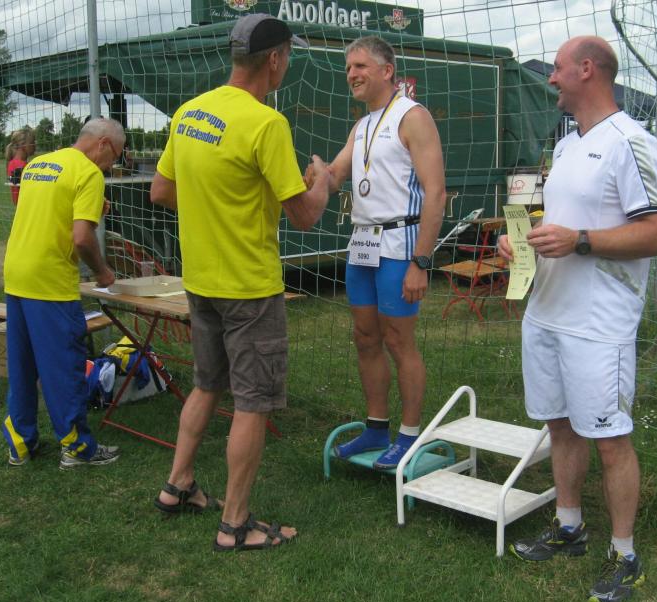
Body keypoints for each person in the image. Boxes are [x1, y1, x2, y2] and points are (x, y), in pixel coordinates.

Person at [498, 36, 657, 602]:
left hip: (599, 324)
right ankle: (569, 526)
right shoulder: (569, 142)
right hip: (547, 312)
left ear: (586, 70)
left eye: (556, 69)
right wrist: (522, 243)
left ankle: (625, 555)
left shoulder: (632, 142)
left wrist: (579, 240)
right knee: (561, 427)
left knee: (611, 439)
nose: (550, 79)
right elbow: (564, 222)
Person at [150, 13, 330, 552]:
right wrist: (322, 181)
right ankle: (235, 524)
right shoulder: (265, 123)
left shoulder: (189, 113)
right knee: (252, 402)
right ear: (274, 59)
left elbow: (161, 191)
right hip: (249, 288)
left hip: (200, 280)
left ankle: (178, 485)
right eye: (287, 57)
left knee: (207, 384)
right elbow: (304, 214)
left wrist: (215, 208)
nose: (286, 65)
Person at [315, 36, 445, 470]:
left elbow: (436, 193)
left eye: (360, 66)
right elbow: (335, 174)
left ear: (387, 71)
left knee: (398, 341)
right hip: (362, 244)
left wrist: (421, 261)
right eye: (348, 68)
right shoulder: (363, 125)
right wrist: (317, 175)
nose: (351, 74)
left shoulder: (413, 116)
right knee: (365, 337)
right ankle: (375, 427)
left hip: (399, 245)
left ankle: (409, 434)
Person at [1, 117, 124, 469]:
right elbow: (82, 238)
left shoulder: (39, 164)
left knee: (22, 365)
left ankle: (20, 444)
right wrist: (102, 272)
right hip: (50, 283)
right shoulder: (88, 173)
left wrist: (90, 207)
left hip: (17, 275)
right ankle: (76, 448)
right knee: (63, 367)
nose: (111, 165)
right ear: (103, 144)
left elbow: (47, 210)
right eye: (114, 156)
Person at [5, 127, 37, 205]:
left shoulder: (11, 163)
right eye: (32, 142)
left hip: (20, 207)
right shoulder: (23, 166)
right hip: (28, 207)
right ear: (23, 145)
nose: (35, 145)